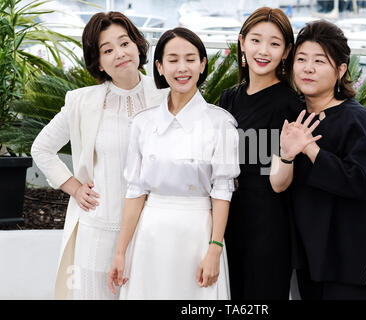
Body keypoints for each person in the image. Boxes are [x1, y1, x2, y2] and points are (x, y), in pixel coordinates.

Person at [31, 12, 166, 299]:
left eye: (124, 43)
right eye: (107, 50)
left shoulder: (165, 96)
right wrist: (75, 188)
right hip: (99, 230)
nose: (119, 53)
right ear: (98, 61)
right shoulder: (82, 101)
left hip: (151, 230)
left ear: (138, 45)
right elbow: (41, 148)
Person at [108, 27, 240, 299]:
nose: (182, 68)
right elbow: (135, 191)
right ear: (159, 66)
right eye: (173, 59)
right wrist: (121, 252)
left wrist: (214, 248)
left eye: (191, 59)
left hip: (197, 235)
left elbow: (222, 191)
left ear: (203, 64)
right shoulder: (143, 123)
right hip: (150, 235)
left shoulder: (221, 123)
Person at [270, 20, 366, 300]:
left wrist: (312, 150)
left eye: (319, 61)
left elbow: (362, 183)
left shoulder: (356, 119)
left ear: (340, 70)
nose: (308, 68)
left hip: (354, 263)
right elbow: (280, 183)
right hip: (313, 260)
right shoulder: (296, 116)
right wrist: (289, 154)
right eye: (301, 59)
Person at [219, 7, 300, 300]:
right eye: (255, 40)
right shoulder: (228, 99)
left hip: (268, 227)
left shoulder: (290, 105)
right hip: (226, 222)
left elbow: (282, 181)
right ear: (242, 42)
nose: (263, 50)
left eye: (274, 43)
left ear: (287, 51)